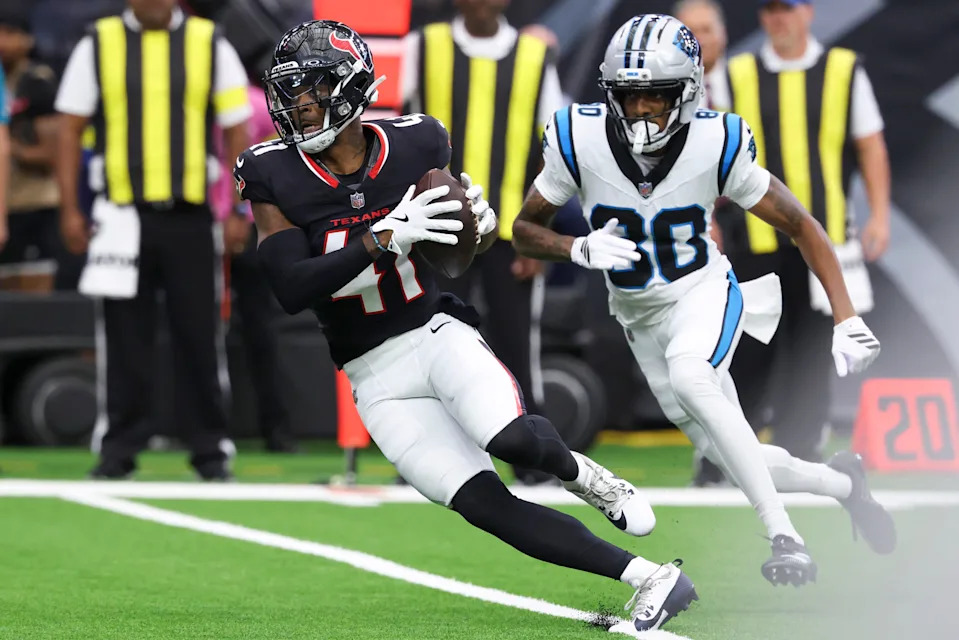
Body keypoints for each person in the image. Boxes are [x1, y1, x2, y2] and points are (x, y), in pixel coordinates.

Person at [234, 20, 696, 633]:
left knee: (512, 439)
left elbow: (457, 254)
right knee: (484, 505)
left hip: (433, 333)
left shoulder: (417, 143)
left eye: (311, 91)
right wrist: (381, 237)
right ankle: (651, 578)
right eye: (290, 93)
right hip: (372, 376)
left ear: (349, 89)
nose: (298, 107)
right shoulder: (272, 172)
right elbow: (291, 288)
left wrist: (477, 228)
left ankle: (584, 476)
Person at [511, 14, 896, 594]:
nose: (642, 109)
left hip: (701, 291)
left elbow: (802, 224)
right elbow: (523, 230)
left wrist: (846, 316)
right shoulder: (578, 137)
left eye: (657, 95)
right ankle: (845, 485)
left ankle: (784, 536)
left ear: (688, 92)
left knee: (694, 377)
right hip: (638, 316)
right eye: (630, 95)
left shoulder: (716, 141)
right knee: (733, 454)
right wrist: (576, 246)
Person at [55, 0, 251, 480]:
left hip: (191, 216)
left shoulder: (208, 42)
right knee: (122, 336)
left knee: (200, 334)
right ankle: (118, 448)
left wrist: (239, 207)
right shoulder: (98, 42)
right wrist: (70, 208)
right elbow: (69, 127)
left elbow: (237, 128)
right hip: (121, 215)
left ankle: (210, 449)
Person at [716, 0, 892, 463]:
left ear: (808, 12)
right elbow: (710, 150)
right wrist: (707, 217)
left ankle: (802, 453)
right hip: (753, 236)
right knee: (747, 347)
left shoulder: (843, 70)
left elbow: (870, 145)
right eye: (771, 9)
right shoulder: (737, 73)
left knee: (813, 349)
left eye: (788, 8)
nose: (780, 18)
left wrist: (879, 214)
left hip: (820, 237)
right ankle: (729, 454)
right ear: (761, 16)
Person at [401, 0, 563, 485]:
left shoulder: (534, 56)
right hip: (436, 229)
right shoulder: (423, 46)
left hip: (510, 232)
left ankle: (530, 461)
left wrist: (539, 231)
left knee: (515, 345)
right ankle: (427, 457)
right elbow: (393, 135)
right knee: (430, 342)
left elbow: (551, 152)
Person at [211, 83, 298, 453]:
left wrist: (237, 211)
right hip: (223, 223)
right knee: (249, 330)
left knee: (254, 330)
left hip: (232, 224)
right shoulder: (259, 102)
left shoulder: (251, 105)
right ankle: (270, 431)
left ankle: (269, 428)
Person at [0, 8, 84, 291]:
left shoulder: (37, 82)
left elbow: (53, 152)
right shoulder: (5, 79)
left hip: (39, 204)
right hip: (9, 205)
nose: (2, 41)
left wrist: (10, 149)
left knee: (39, 292)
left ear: (28, 39)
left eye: (10, 33)